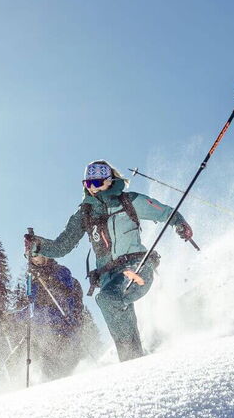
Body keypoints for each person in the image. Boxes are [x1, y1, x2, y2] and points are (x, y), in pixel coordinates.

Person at [26, 160, 193, 361]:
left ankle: (130, 358)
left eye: (97, 183)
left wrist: (179, 224)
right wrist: (37, 246)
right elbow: (62, 246)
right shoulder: (84, 214)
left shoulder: (129, 201)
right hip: (109, 278)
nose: (92, 188)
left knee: (107, 299)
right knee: (112, 300)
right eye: (88, 184)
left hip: (137, 268)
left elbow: (166, 212)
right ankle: (135, 361)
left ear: (109, 181)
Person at [25, 252, 86, 380]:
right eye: (28, 256)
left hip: (64, 325)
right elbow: (32, 307)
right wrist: (11, 316)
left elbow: (68, 296)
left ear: (45, 254)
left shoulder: (61, 271)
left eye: (35, 254)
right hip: (46, 332)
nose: (33, 258)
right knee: (48, 366)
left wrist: (49, 281)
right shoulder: (32, 280)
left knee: (63, 365)